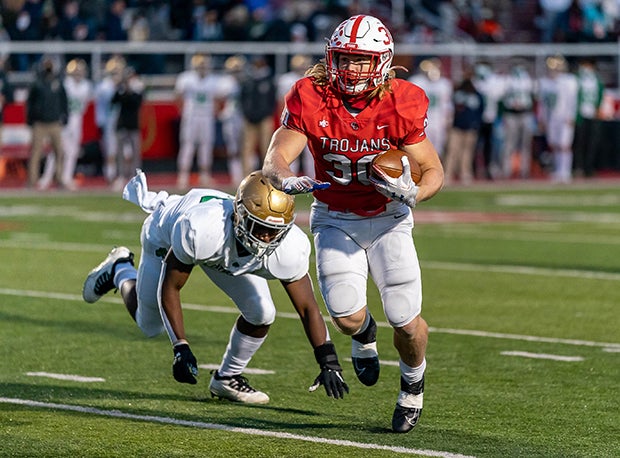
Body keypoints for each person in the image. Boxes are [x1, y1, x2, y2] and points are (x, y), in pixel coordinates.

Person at [261, 15, 444, 433]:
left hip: (389, 218)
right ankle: (364, 335)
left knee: (405, 316)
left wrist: (414, 195)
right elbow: (275, 157)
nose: (350, 68)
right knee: (344, 316)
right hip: (334, 217)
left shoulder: (402, 100)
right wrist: (285, 178)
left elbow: (433, 169)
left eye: (361, 60)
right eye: (344, 58)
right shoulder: (311, 95)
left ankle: (412, 388)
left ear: (381, 62)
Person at [82, 170, 348, 403]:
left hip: (227, 252)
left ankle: (227, 378)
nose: (267, 238)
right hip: (168, 235)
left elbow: (307, 307)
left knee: (262, 313)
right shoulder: (201, 230)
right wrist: (181, 346)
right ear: (241, 217)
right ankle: (120, 269)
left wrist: (328, 359)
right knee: (148, 324)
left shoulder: (289, 247)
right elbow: (171, 287)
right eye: (260, 228)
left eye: (274, 231)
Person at [39, 58, 93, 190]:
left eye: (80, 71)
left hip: (77, 120)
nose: (79, 74)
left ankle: (66, 177)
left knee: (72, 152)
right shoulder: (66, 84)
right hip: (65, 120)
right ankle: (46, 178)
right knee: (56, 151)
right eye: (76, 71)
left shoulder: (86, 86)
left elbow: (84, 105)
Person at [174, 53, 220, 189]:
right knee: (187, 145)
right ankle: (183, 175)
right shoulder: (186, 78)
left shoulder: (213, 80)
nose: (202, 67)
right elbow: (177, 96)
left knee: (206, 146)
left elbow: (217, 99)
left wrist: (214, 111)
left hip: (206, 116)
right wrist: (183, 111)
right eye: (200, 65)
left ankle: (204, 174)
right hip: (191, 116)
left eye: (204, 65)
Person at [26, 56, 68, 189]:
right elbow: (30, 103)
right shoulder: (37, 83)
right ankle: (32, 181)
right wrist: (30, 119)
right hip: (40, 122)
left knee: (59, 152)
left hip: (55, 122)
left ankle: (60, 178)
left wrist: (65, 116)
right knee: (36, 153)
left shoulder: (58, 82)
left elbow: (64, 101)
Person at [536, 55, 578, 183]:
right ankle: (558, 170)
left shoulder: (569, 81)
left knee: (565, 145)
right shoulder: (545, 83)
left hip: (564, 117)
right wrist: (542, 119)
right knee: (554, 145)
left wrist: (571, 115)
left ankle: (565, 171)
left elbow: (573, 101)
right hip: (551, 119)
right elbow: (542, 104)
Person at [443, 73, 484, 186]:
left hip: (470, 128)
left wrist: (476, 124)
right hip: (457, 127)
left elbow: (480, 111)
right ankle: (448, 174)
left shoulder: (477, 95)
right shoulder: (457, 94)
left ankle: (465, 174)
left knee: (467, 153)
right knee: (453, 152)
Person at [408, 58, 453, 159]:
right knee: (419, 149)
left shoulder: (444, 84)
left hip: (438, 121)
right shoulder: (417, 81)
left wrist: (447, 121)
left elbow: (447, 105)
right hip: (420, 120)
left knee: (438, 148)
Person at [240, 55, 276, 178]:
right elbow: (243, 99)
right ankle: (246, 176)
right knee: (247, 149)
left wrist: (267, 113)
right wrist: (247, 113)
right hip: (250, 118)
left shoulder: (269, 80)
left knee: (267, 148)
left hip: (264, 117)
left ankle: (267, 176)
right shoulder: (247, 80)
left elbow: (272, 100)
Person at [499, 59, 536, 179]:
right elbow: (501, 96)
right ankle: (506, 170)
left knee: (525, 144)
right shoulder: (508, 80)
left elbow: (534, 96)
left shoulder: (528, 80)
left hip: (525, 113)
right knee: (509, 143)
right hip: (511, 114)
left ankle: (524, 170)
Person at [110, 66, 144, 189]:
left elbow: (136, 102)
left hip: (133, 124)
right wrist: (121, 89)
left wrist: (128, 90)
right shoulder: (121, 88)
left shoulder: (138, 87)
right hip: (122, 124)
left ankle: (135, 177)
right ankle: (121, 176)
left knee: (135, 153)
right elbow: (114, 101)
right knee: (120, 153)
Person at [95, 55, 125, 184]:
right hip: (108, 121)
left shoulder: (123, 85)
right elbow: (110, 99)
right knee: (110, 150)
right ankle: (110, 175)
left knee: (125, 151)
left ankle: (122, 175)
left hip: (121, 121)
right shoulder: (105, 86)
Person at [572, 57, 604, 177]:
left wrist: (598, 109)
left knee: (591, 143)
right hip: (580, 115)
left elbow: (600, 95)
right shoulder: (577, 79)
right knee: (579, 142)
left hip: (592, 115)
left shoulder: (597, 80)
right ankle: (578, 167)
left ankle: (588, 167)